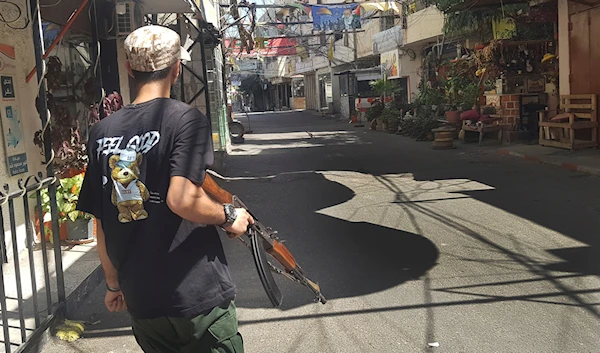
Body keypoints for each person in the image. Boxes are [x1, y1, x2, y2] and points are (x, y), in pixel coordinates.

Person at [76, 25, 254, 353]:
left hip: (142, 298)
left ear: (129, 69)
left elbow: (101, 220)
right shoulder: (186, 120)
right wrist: (228, 216)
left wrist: (113, 282)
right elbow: (182, 199)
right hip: (196, 295)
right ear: (176, 68)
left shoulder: (100, 132)